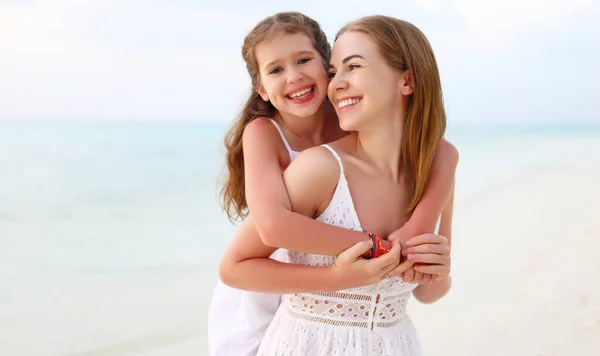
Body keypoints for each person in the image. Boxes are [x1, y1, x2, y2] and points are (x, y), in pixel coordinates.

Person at [209, 12, 455, 355]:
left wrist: (433, 263)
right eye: (276, 69)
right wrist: (377, 248)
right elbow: (271, 227)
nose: (294, 77)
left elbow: (428, 288)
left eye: (306, 61)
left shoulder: (354, 125)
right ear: (261, 90)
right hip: (269, 291)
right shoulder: (272, 137)